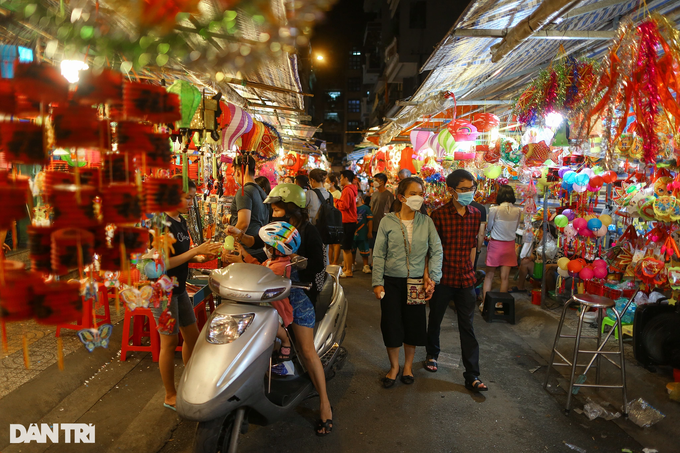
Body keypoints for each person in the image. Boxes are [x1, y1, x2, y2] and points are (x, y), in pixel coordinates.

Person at [224, 184, 332, 435]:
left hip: (299, 294)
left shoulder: (309, 231)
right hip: (271, 295)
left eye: (277, 206)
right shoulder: (276, 231)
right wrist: (242, 250)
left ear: (292, 207)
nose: (272, 210)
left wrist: (293, 265)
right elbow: (263, 255)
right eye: (272, 206)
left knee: (307, 351)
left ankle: (325, 403)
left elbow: (318, 265)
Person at [152, 177, 222, 410]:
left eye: (192, 198)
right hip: (161, 290)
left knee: (193, 337)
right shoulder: (160, 223)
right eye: (188, 197)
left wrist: (202, 256)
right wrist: (195, 251)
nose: (191, 203)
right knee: (169, 343)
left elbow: (182, 257)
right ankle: (170, 395)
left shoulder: (180, 221)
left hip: (179, 288)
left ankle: (190, 383)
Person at [372, 177, 443, 388]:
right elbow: (378, 255)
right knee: (391, 324)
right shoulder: (387, 222)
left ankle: (408, 366)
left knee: (413, 325)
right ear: (401, 197)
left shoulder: (426, 222)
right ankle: (394, 367)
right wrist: (377, 282)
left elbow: (436, 251)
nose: (419, 197)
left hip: (416, 283)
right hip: (391, 282)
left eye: (421, 193)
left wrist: (434, 278)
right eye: (414, 193)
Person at [427, 169, 488, 392]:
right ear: (451, 191)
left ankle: (472, 374)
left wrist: (472, 273)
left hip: (466, 279)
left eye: (471, 189)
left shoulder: (475, 214)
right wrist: (431, 278)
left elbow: (473, 246)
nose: (469, 193)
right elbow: (433, 250)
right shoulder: (439, 215)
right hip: (443, 277)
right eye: (464, 189)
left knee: (468, 327)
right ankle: (432, 354)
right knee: (435, 319)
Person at [238, 222, 299, 362]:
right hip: (266, 303)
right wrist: (244, 253)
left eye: (267, 245)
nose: (264, 248)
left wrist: (241, 261)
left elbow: (261, 275)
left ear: (277, 249)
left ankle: (285, 340)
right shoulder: (274, 261)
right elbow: (260, 267)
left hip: (276, 308)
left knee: (272, 323)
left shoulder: (280, 266)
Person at [482, 184, 522, 305]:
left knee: (489, 275)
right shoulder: (518, 211)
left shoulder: (495, 209)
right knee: (505, 277)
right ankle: (500, 304)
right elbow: (515, 228)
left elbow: (489, 227)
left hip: (496, 245)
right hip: (510, 246)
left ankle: (485, 304)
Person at [229, 154, 270, 262]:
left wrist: (228, 246)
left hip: (245, 251)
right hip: (259, 248)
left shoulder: (244, 191)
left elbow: (243, 224)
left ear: (238, 172)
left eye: (233, 173)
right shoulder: (261, 191)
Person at [335, 170, 358, 278]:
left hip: (348, 221)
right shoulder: (350, 189)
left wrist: (335, 201)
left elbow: (344, 206)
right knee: (345, 247)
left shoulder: (347, 190)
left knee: (346, 248)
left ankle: (348, 270)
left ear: (346, 179)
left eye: (341, 177)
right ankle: (346, 268)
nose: (340, 180)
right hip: (349, 220)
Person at [370, 173, 394, 250]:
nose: (374, 182)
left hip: (383, 224)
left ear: (382, 182)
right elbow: (372, 208)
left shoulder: (389, 195)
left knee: (382, 245)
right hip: (374, 223)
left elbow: (391, 210)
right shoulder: (374, 194)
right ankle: (374, 261)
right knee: (373, 245)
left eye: (376, 180)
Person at [353, 193, 373, 274]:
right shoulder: (351, 208)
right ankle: (352, 263)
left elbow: (370, 220)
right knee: (352, 249)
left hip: (363, 232)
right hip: (353, 232)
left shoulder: (366, 208)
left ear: (360, 197)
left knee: (364, 249)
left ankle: (365, 265)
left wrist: (370, 232)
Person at [325, 173, 342, 266]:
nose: (326, 183)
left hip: (335, 218)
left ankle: (335, 261)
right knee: (330, 242)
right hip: (329, 218)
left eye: (327, 182)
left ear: (332, 183)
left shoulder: (337, 194)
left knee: (336, 242)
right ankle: (330, 261)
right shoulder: (328, 193)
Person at [469, 198, 487, 270]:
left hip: (455, 246)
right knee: (472, 269)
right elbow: (481, 233)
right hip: (473, 245)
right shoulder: (481, 208)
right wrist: (478, 249)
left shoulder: (457, 206)